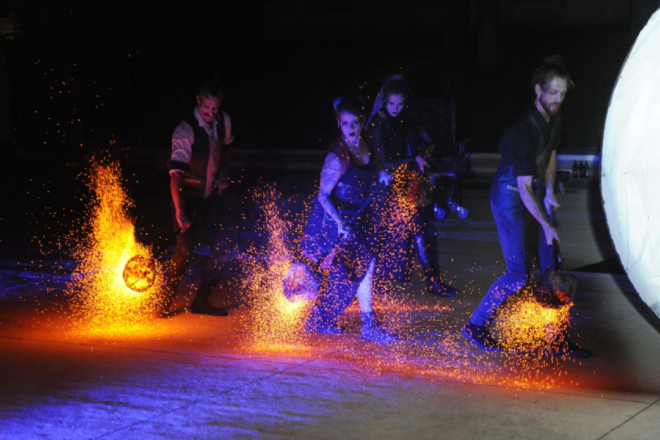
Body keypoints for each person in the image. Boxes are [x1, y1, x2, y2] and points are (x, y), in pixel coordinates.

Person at [462, 56, 590, 358]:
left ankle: (555, 338)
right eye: (552, 93)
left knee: (552, 268)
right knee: (519, 274)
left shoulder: (554, 117)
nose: (558, 99)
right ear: (538, 91)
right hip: (509, 200)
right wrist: (546, 223)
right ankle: (475, 326)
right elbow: (521, 187)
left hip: (533, 192)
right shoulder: (521, 132)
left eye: (562, 93)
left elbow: (550, 153)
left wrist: (549, 190)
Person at [301, 97, 397, 342]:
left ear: (362, 121)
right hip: (334, 219)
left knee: (359, 268)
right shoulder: (336, 157)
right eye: (346, 124)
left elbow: (373, 167)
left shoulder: (365, 142)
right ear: (339, 124)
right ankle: (364, 324)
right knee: (357, 268)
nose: (352, 128)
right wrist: (339, 223)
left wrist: (382, 173)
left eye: (355, 122)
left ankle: (321, 320)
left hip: (357, 216)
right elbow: (322, 195)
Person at [367, 74, 459, 297]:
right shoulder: (378, 124)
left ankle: (431, 281)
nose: (396, 108)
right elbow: (386, 162)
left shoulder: (403, 117)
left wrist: (423, 152)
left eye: (400, 104)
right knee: (382, 232)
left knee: (418, 224)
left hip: (400, 181)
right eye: (392, 104)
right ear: (384, 100)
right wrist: (413, 159)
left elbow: (430, 141)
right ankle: (366, 281)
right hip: (379, 185)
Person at [162, 78, 234, 316]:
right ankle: (161, 302)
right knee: (185, 248)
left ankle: (199, 302)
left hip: (211, 199)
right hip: (186, 198)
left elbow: (227, 150)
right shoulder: (185, 130)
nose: (210, 114)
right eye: (206, 108)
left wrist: (223, 174)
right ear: (198, 100)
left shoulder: (224, 122)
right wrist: (180, 212)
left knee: (225, 247)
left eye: (215, 109)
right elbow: (175, 176)